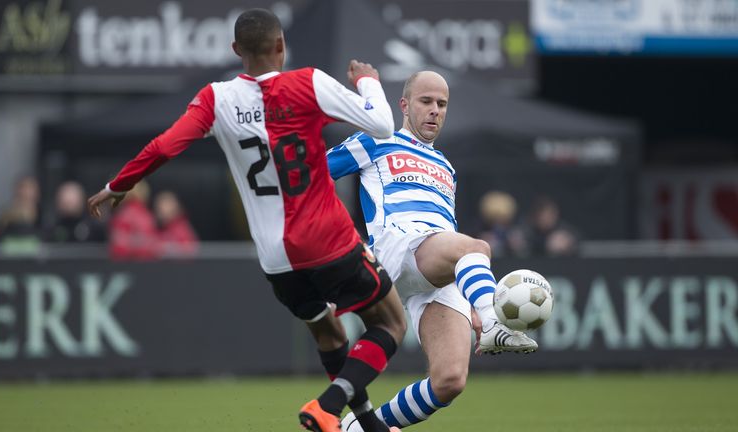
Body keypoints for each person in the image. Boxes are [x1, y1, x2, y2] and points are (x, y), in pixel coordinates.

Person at [87, 9, 405, 432]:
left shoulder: (216, 99)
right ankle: (329, 406)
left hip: (276, 260)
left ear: (236, 50)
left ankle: (366, 425)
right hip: (327, 240)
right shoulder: (307, 82)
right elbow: (383, 125)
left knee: (329, 335)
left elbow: (165, 146)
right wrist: (368, 81)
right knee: (390, 323)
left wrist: (118, 185)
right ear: (281, 46)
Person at [327, 71, 537, 430]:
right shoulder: (378, 139)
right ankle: (494, 321)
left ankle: (356, 428)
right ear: (404, 105)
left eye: (442, 104)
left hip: (434, 260)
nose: (435, 111)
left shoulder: (446, 167)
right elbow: (316, 174)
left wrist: (471, 298)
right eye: (426, 101)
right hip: (398, 245)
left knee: (450, 380)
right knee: (478, 245)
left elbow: (447, 232)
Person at [107, 180, 159, 260]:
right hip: (143, 264)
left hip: (127, 264)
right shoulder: (145, 214)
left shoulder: (124, 214)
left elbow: (118, 245)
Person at [153, 190, 198, 258]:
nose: (160, 210)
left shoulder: (182, 229)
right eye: (158, 206)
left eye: (165, 205)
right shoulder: (160, 228)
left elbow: (188, 253)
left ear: (175, 207)